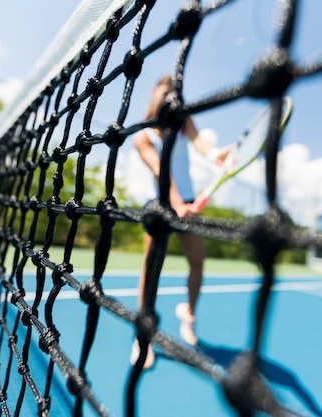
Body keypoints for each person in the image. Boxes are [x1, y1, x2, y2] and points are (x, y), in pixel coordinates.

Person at [130, 75, 228, 369]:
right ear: (153, 93)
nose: (171, 95)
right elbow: (160, 170)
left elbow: (201, 144)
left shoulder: (183, 122)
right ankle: (143, 336)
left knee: (197, 261)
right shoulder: (141, 135)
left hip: (186, 201)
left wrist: (215, 155)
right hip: (159, 203)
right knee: (151, 267)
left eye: (176, 91)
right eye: (166, 89)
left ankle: (189, 313)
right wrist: (173, 202)